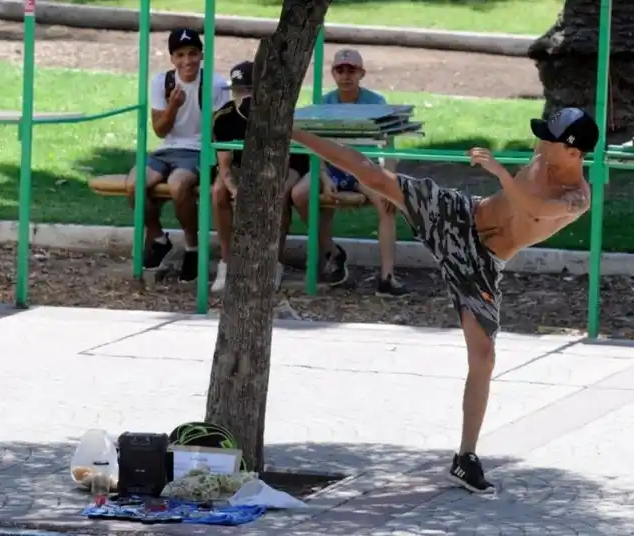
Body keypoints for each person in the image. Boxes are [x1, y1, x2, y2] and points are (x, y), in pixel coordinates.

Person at [290, 107, 599, 493]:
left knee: (484, 356)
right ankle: (289, 130)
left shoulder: (576, 197)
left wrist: (501, 172)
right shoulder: (547, 152)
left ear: (573, 152)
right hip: (459, 216)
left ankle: (465, 458)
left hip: (482, 264)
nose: (540, 143)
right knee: (374, 176)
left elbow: (535, 209)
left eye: (549, 139)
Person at [291, 48, 408, 296]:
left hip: (362, 166)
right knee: (300, 194)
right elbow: (316, 144)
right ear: (333, 73)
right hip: (331, 165)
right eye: (340, 70)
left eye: (351, 70)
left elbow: (389, 146)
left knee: (387, 203)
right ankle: (331, 250)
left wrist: (389, 181)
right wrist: (322, 175)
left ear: (361, 73)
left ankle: (387, 277)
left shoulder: (376, 103)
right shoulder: (324, 102)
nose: (346, 75)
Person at [126, 28, 229, 282]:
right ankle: (159, 238)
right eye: (180, 55)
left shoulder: (214, 85)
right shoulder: (161, 82)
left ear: (201, 55)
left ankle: (192, 248)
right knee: (133, 184)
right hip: (167, 149)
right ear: (172, 58)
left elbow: (221, 130)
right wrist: (173, 106)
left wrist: (219, 165)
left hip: (197, 151)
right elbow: (160, 131)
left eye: (192, 54)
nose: (187, 61)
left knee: (178, 185)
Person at [209, 60, 311, 293]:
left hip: (285, 165)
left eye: (249, 89)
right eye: (239, 90)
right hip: (240, 166)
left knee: (280, 192)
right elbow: (224, 166)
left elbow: (289, 158)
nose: (243, 95)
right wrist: (236, 191)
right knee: (217, 192)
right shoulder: (223, 117)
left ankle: (273, 263)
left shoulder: (280, 114)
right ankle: (227, 262)